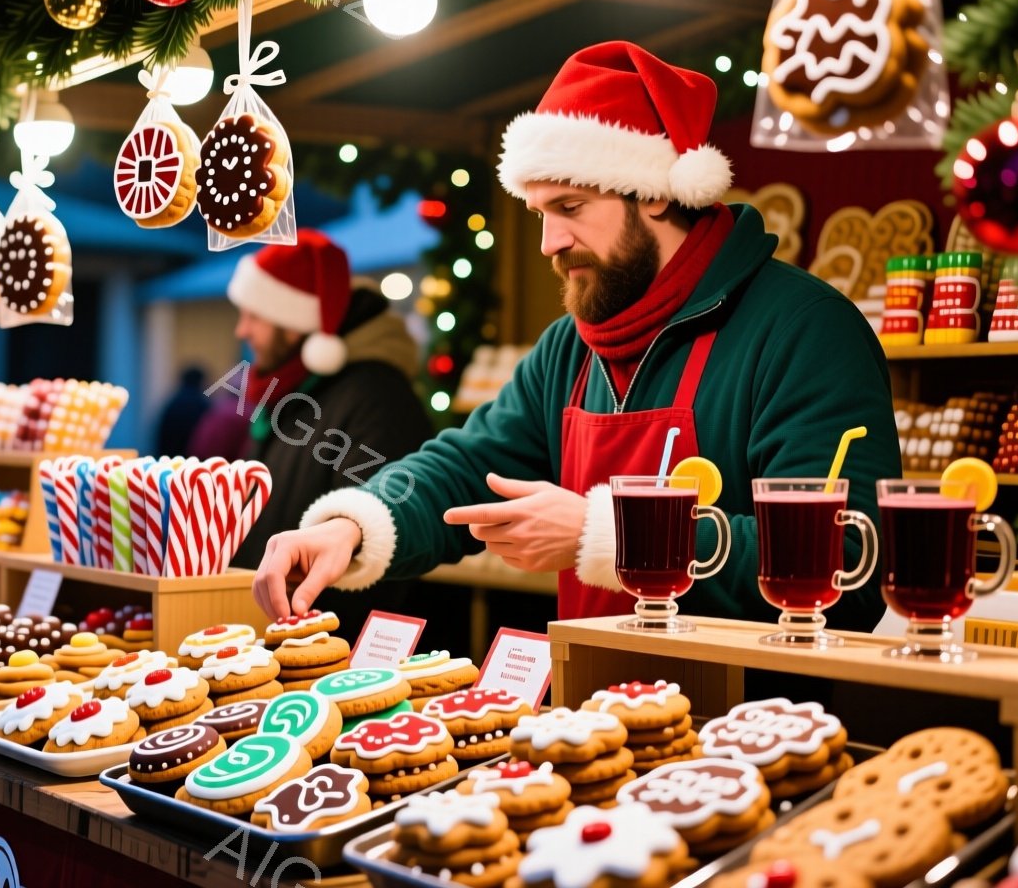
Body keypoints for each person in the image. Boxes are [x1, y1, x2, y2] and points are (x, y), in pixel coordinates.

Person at [251, 42, 899, 628]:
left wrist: (609, 532)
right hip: (592, 724)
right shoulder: (571, 348)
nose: (548, 243)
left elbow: (850, 564)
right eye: (539, 213)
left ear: (651, 194)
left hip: (754, 733)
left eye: (569, 208)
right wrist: (351, 525)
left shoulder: (804, 332)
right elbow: (468, 466)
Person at [217, 230, 434, 627]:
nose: (241, 331)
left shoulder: (378, 399)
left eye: (253, 315)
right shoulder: (292, 391)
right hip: (269, 635)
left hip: (332, 650)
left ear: (293, 323)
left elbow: (381, 542)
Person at [154, 366, 211, 457]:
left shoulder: (173, 402)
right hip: (191, 458)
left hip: (170, 456)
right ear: (200, 382)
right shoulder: (202, 404)